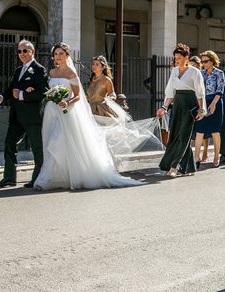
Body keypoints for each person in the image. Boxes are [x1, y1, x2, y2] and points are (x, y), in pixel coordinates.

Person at [33, 42, 143, 190]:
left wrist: (67, 102)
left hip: (66, 112)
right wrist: (51, 97)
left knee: (56, 141)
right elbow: (49, 90)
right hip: (52, 111)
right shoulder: (52, 73)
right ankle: (56, 177)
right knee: (51, 143)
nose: (58, 56)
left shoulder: (72, 74)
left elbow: (78, 96)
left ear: (67, 55)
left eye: (61, 53)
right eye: (56, 54)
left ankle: (46, 179)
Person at [0, 40, 48, 188]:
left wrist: (22, 94)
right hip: (16, 116)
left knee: (37, 149)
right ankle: (9, 178)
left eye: (25, 51)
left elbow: (43, 92)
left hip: (32, 117)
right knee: (9, 144)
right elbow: (11, 89)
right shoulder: (18, 70)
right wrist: (2, 97)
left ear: (32, 52)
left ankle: (37, 178)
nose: (21, 54)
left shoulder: (39, 69)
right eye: (19, 51)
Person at [157, 44, 206, 177]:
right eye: (175, 58)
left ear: (186, 57)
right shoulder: (174, 71)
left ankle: (174, 166)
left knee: (184, 136)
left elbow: (200, 93)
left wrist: (201, 110)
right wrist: (164, 107)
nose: (176, 60)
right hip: (177, 105)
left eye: (179, 58)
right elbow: (170, 92)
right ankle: (190, 167)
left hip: (190, 106)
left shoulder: (195, 72)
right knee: (175, 136)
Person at [193, 50, 225, 167]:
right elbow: (198, 90)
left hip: (216, 102)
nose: (203, 63)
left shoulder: (219, 73)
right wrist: (201, 105)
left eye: (205, 61)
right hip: (203, 102)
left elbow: (220, 90)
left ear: (212, 61)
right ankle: (196, 157)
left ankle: (216, 156)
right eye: (202, 61)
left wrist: (214, 103)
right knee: (199, 129)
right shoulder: (201, 74)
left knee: (215, 131)